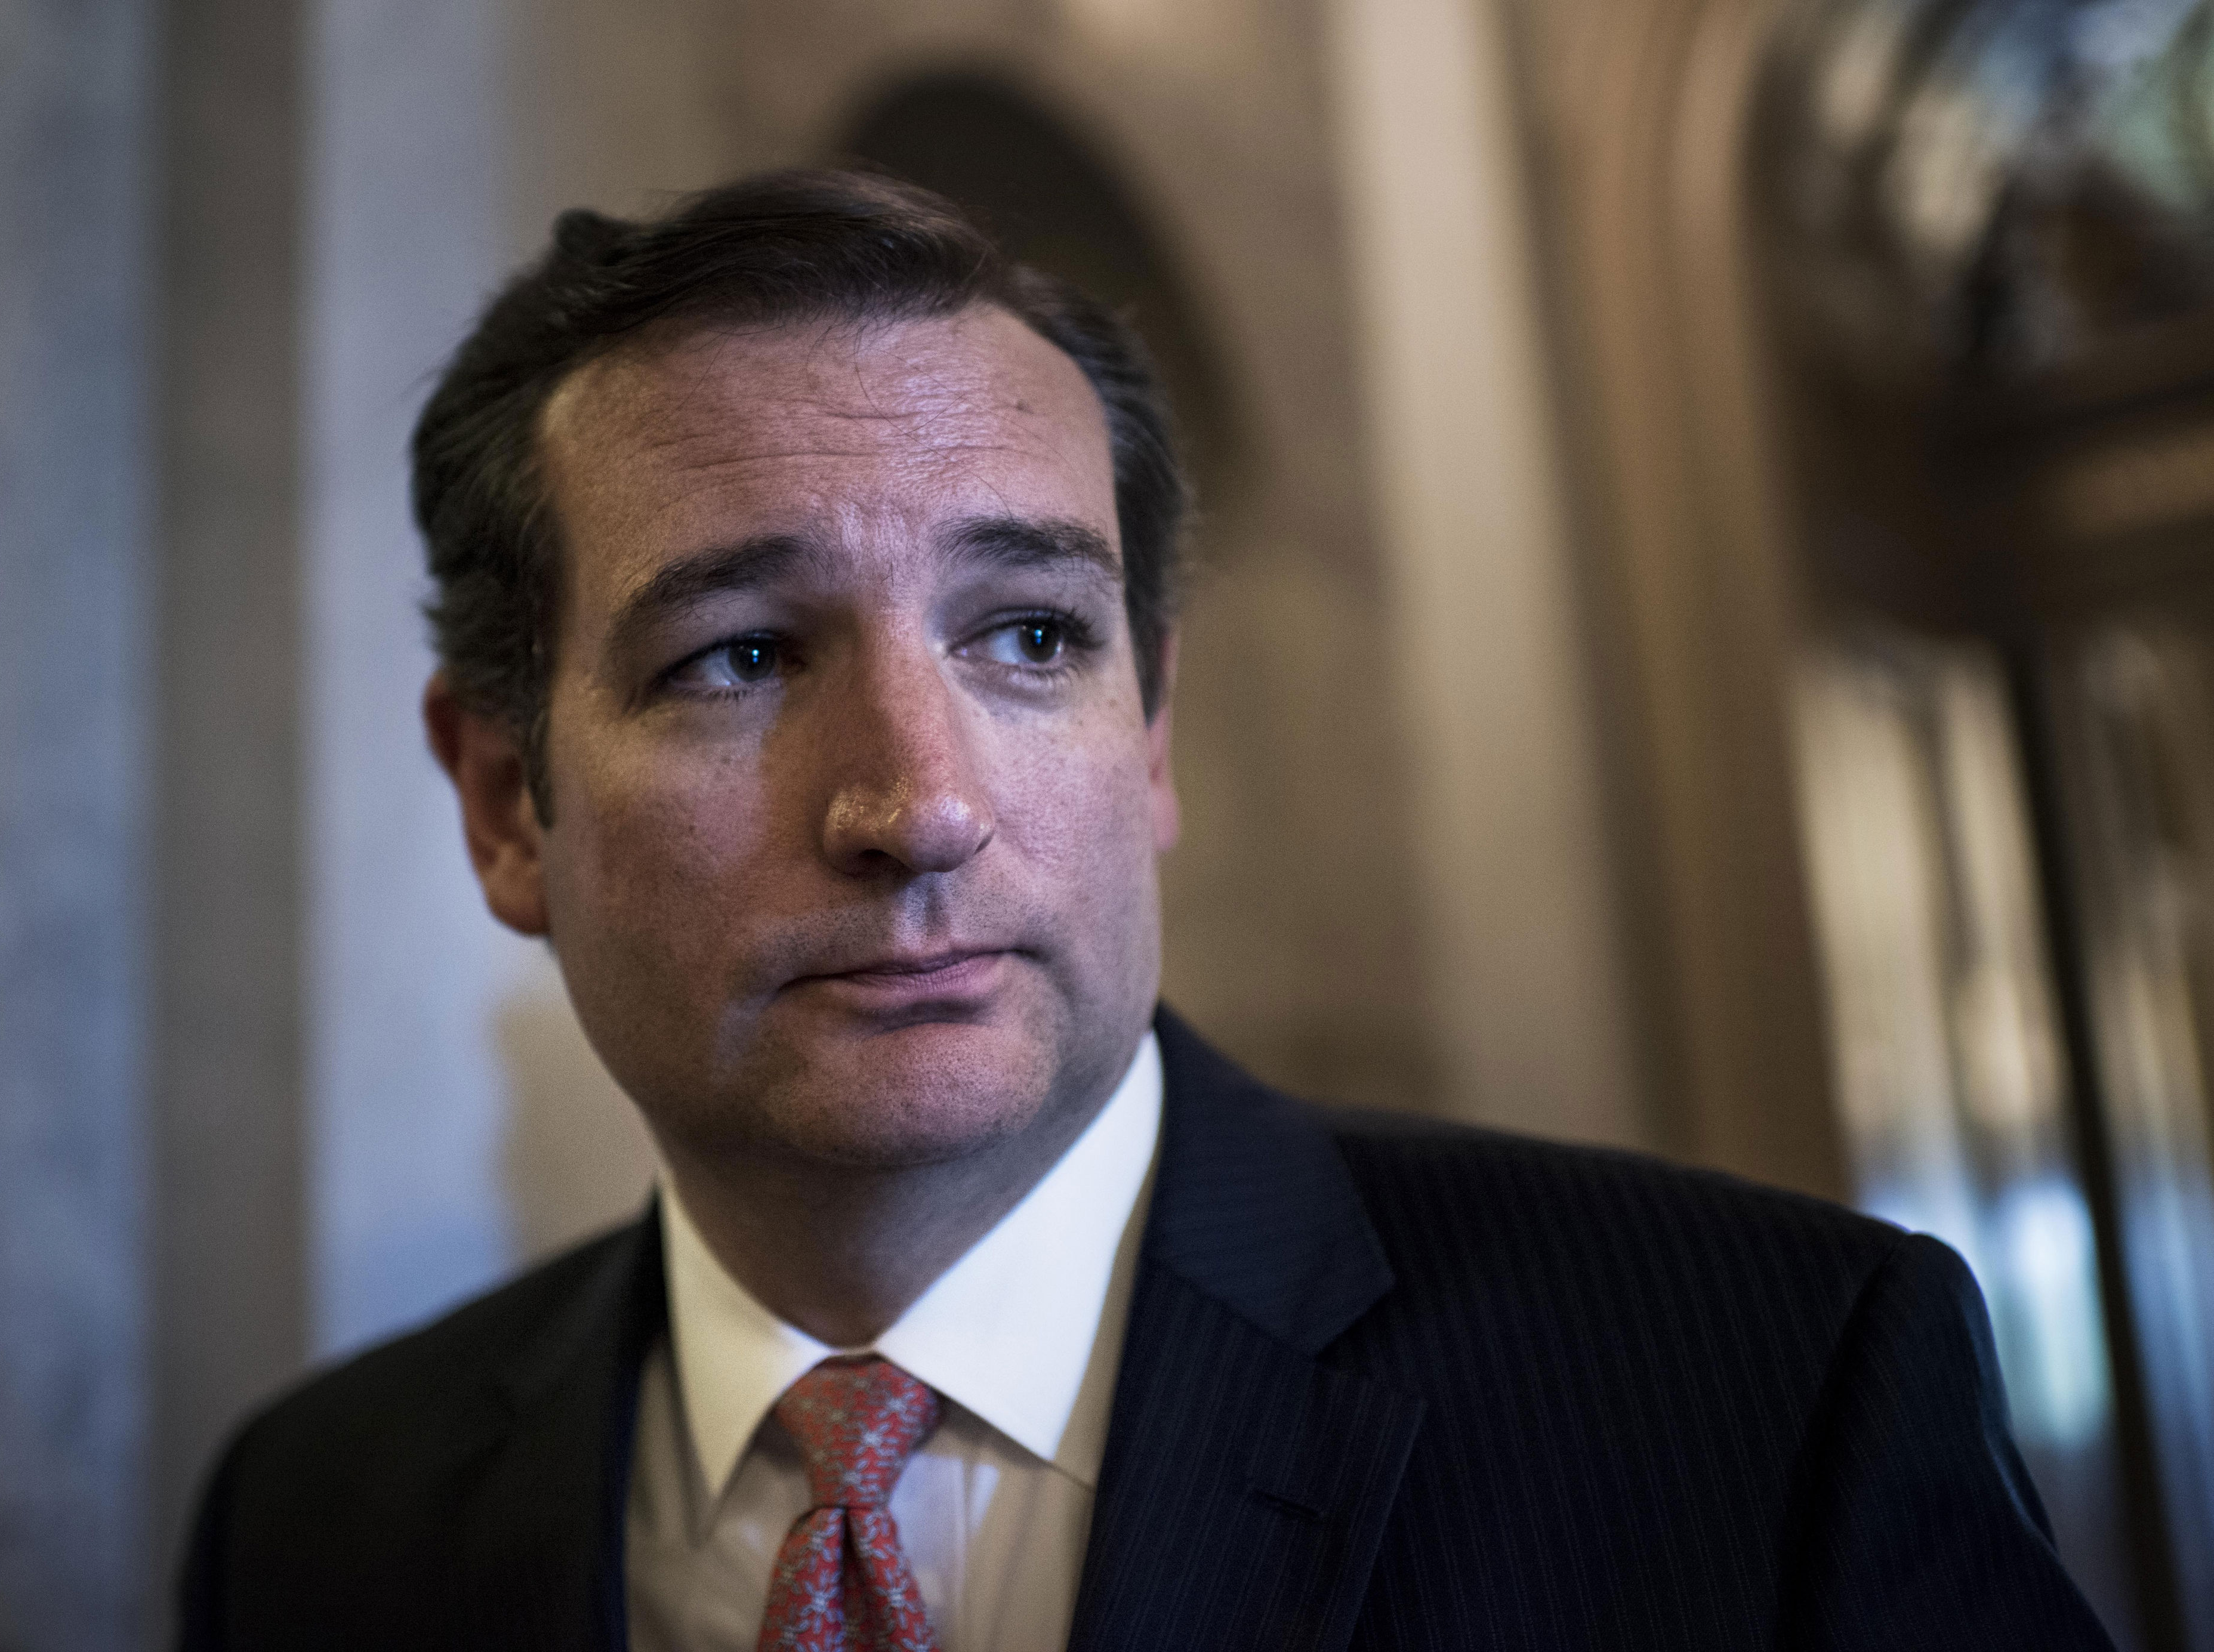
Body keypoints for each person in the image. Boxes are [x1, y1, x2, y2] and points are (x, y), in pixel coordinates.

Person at [177, 170, 2110, 1652]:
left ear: (1152, 729)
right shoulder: (323, 1521)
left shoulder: (1761, 1395)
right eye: (741, 655)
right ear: (509, 804)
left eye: (1029, 635)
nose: (917, 803)